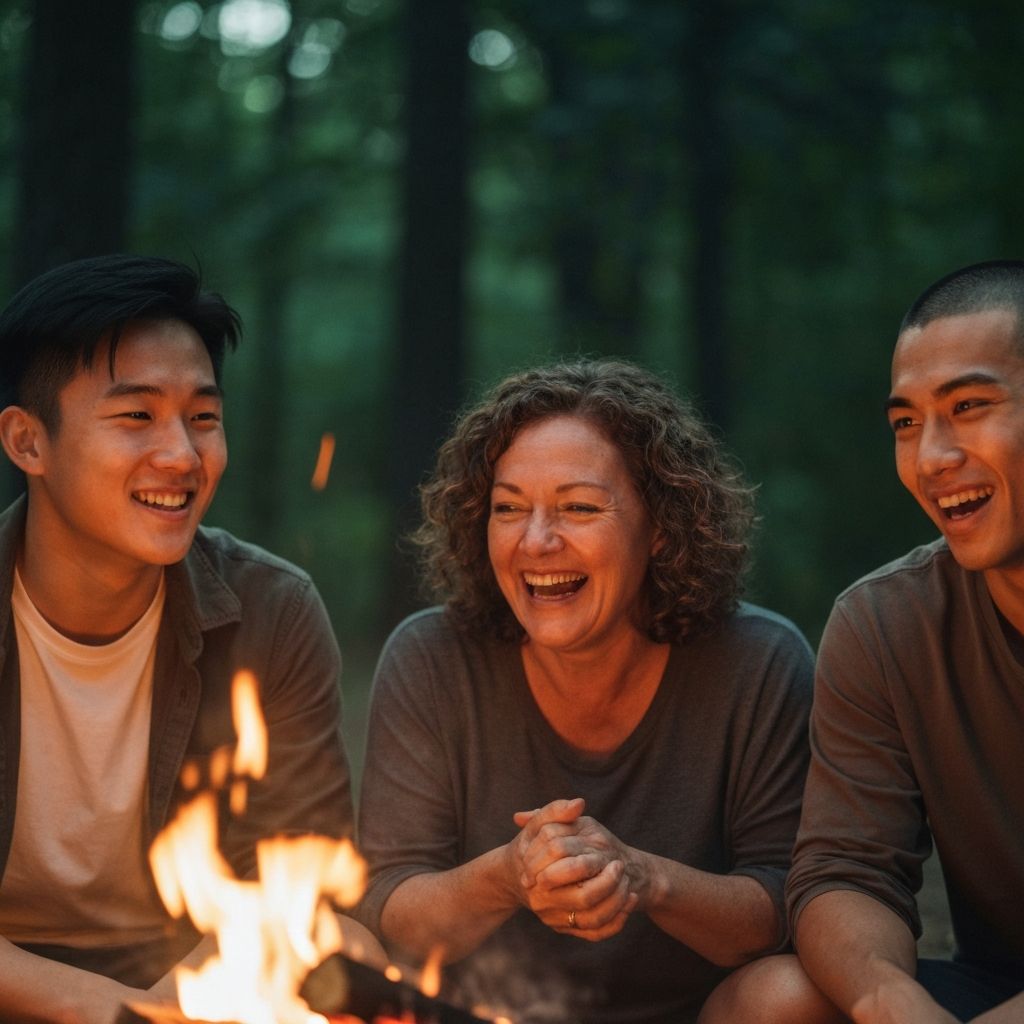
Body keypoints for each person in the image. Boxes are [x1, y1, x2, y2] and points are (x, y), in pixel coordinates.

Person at [355, 359, 814, 1024]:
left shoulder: (759, 663)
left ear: (661, 527)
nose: (537, 542)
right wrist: (509, 875)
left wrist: (642, 877)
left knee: (794, 993)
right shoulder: (431, 659)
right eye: (509, 508)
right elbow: (389, 910)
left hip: (699, 1016)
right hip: (475, 1016)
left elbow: (783, 909)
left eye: (578, 507)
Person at [0, 254, 372, 1024]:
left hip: (190, 979)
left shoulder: (270, 613)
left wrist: (167, 1007)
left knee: (354, 958)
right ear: (27, 442)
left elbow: (292, 874)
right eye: (136, 416)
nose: (182, 456)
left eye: (202, 417)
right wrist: (107, 1011)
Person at [699, 260, 1024, 1024]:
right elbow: (847, 873)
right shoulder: (887, 624)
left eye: (969, 405)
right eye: (905, 423)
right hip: (988, 992)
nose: (932, 457)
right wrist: (890, 999)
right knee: (772, 1003)